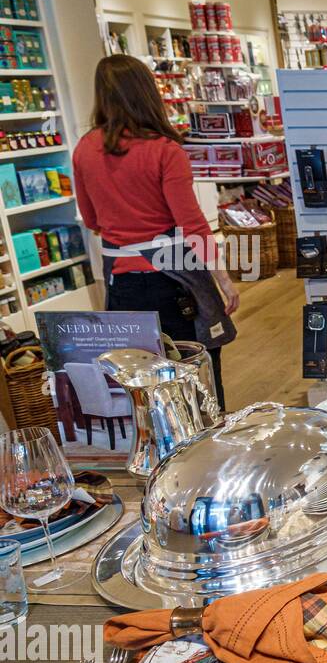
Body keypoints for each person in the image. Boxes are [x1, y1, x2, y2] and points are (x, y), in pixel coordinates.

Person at [73, 55, 238, 408]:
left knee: (141, 384)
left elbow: (91, 219)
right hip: (173, 281)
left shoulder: (85, 148)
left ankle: (159, 456)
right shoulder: (165, 151)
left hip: (122, 285)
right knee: (196, 378)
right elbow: (191, 223)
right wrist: (222, 279)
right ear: (148, 92)